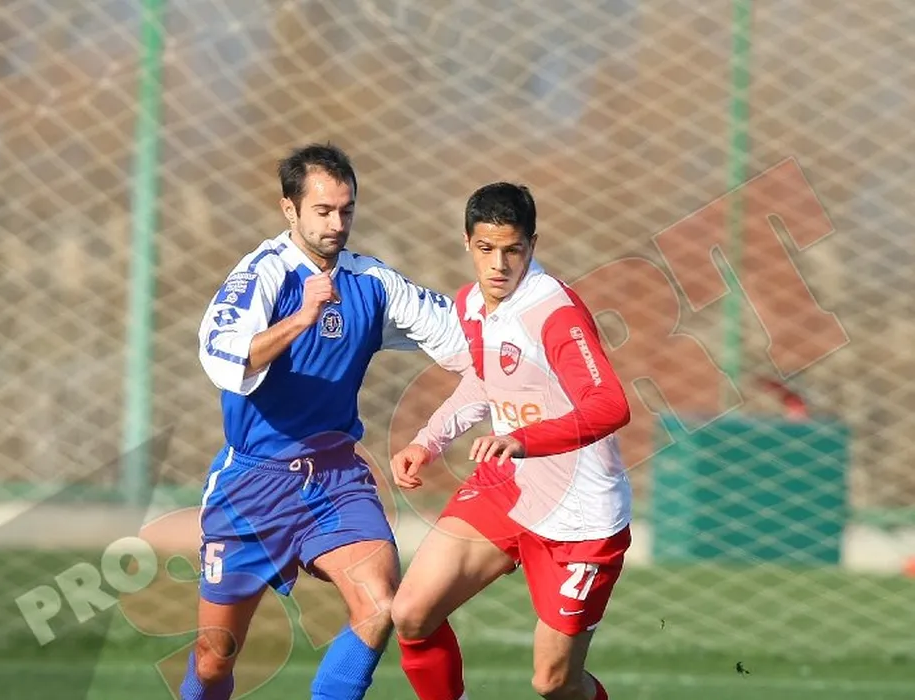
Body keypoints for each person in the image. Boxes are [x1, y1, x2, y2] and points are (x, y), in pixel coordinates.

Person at [185, 143, 469, 700]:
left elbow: (463, 338)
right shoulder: (262, 274)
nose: (337, 224)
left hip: (334, 478)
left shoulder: (372, 282)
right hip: (253, 484)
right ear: (289, 209)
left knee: (380, 606)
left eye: (346, 210)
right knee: (214, 658)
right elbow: (223, 359)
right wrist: (301, 318)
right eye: (323, 211)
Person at [389, 182, 633, 700]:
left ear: (532, 245)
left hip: (579, 517)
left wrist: (525, 440)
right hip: (510, 487)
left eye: (512, 250)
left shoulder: (553, 313)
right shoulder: (471, 303)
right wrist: (428, 441)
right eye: (486, 249)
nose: (498, 265)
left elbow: (610, 405)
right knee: (411, 613)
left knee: (554, 683)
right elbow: (485, 381)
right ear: (467, 242)